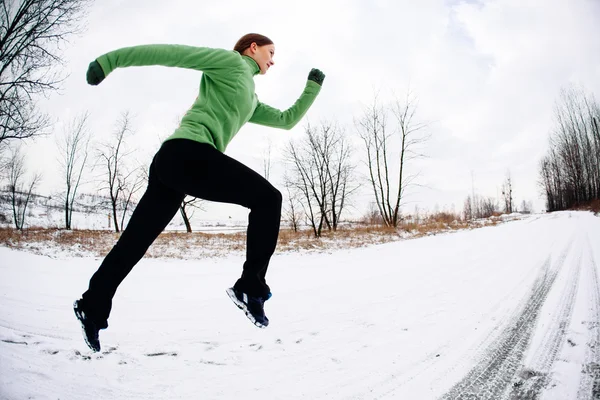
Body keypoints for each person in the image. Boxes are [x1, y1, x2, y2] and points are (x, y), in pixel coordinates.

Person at [73, 33, 325, 352]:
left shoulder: (250, 100)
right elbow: (171, 52)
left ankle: (92, 306)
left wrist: (312, 88)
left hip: (175, 167)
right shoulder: (230, 62)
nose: (272, 61)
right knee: (268, 199)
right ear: (253, 47)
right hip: (187, 153)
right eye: (270, 52)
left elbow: (287, 120)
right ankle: (250, 287)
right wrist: (109, 61)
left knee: (135, 242)